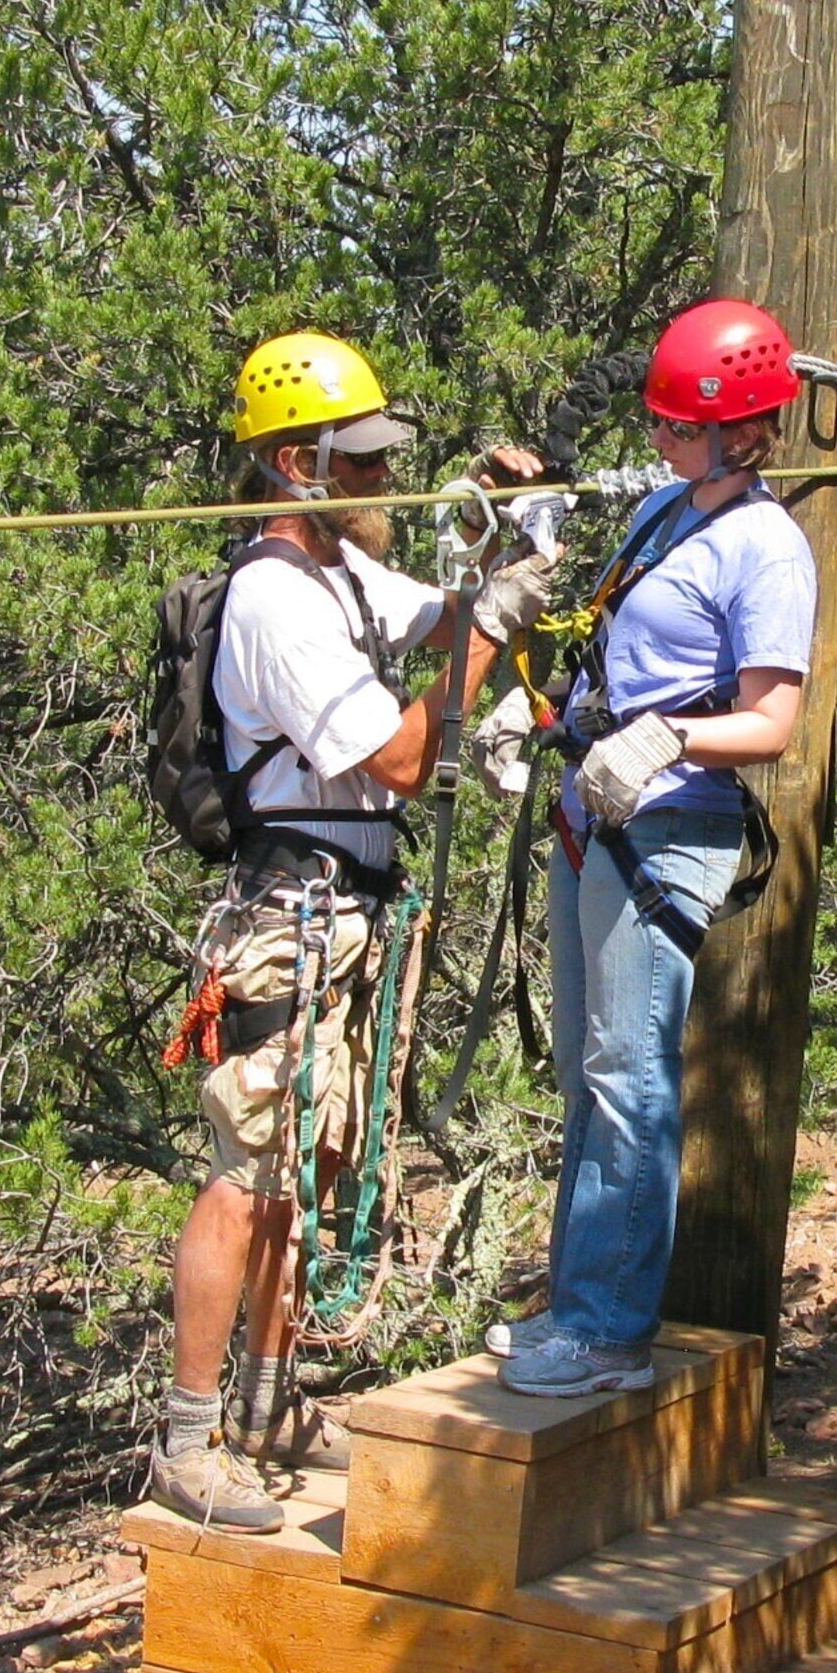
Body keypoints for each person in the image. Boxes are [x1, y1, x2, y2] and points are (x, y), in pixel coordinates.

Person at [154, 330, 550, 1527]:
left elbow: (440, 618)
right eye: (361, 462)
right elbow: (397, 750)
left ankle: (272, 1402)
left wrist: (508, 543)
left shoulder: (337, 571)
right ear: (293, 467)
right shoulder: (278, 599)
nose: (382, 482)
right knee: (247, 1170)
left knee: (307, 1163)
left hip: (345, 909)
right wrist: (492, 623)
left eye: (383, 461)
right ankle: (186, 1437)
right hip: (292, 907)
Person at [503, 300, 818, 1398]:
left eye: (681, 429)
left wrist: (671, 735)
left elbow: (771, 721)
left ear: (742, 431)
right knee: (590, 1069)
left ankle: (610, 1335)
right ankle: (579, 1304)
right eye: (658, 424)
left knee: (632, 1072)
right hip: (597, 812)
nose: (663, 443)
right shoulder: (663, 513)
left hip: (669, 822)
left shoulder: (766, 547)